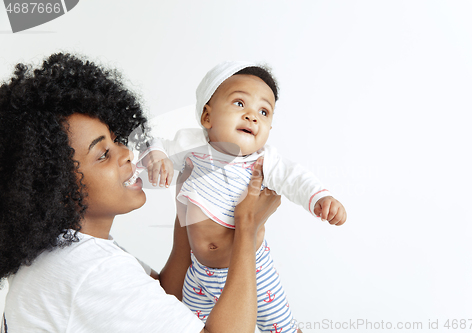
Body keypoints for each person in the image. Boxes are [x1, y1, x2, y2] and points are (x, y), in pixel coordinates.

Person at [0, 53, 281, 333]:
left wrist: (188, 203)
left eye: (117, 139)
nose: (126, 153)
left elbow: (164, 295)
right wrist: (247, 225)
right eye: (103, 154)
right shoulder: (92, 271)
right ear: (55, 184)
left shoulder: (68, 252)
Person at [141, 61, 347, 333]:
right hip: (199, 273)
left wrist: (321, 198)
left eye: (264, 111)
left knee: (283, 329)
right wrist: (158, 157)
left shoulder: (264, 161)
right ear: (207, 117)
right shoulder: (191, 147)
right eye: (240, 104)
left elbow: (295, 177)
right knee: (184, 325)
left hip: (255, 272)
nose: (252, 116)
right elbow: (155, 144)